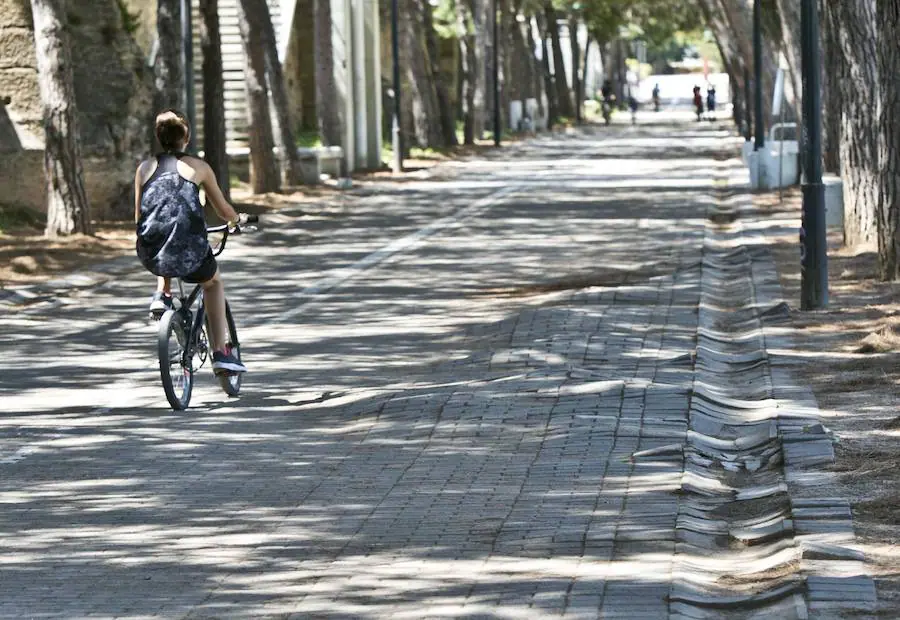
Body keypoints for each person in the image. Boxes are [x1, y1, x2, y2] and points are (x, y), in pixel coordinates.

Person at [135, 109, 247, 375]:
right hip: (190, 249)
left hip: (149, 251)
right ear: (186, 137)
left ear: (158, 137)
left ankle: (162, 294)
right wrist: (236, 220)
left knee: (160, 238)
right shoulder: (198, 167)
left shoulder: (143, 169)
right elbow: (222, 210)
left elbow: (141, 216)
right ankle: (221, 352)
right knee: (213, 282)